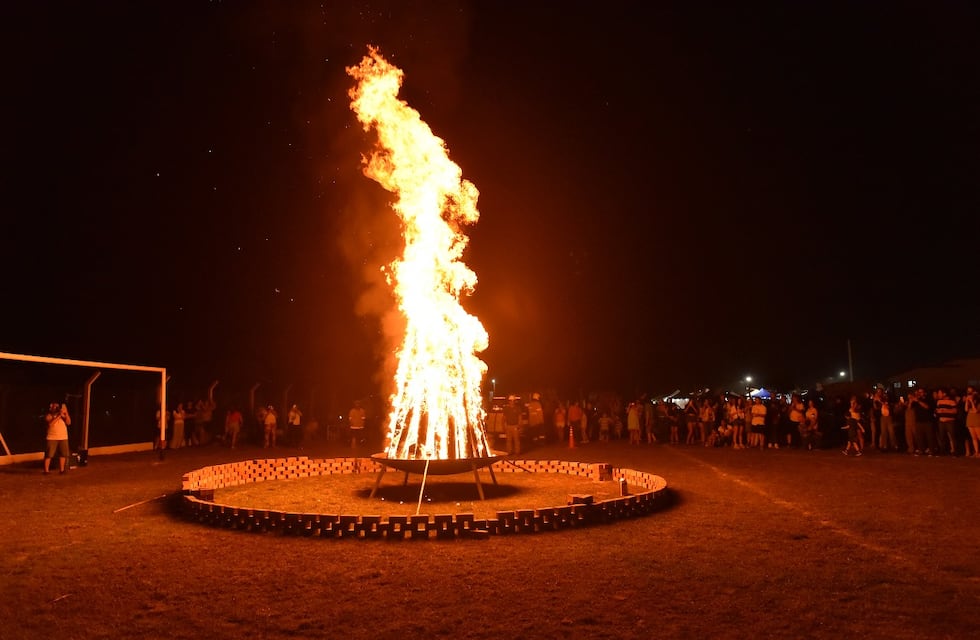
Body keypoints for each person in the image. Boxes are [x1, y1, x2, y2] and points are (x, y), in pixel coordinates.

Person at [43, 402, 71, 474]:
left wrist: (66, 413)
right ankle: (46, 470)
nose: (56, 408)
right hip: (52, 437)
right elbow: (50, 424)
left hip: (63, 436)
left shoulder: (63, 415)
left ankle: (62, 470)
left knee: (63, 454)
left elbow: (68, 422)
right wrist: (59, 416)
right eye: (54, 406)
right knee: (49, 454)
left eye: (57, 406)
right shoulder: (49, 415)